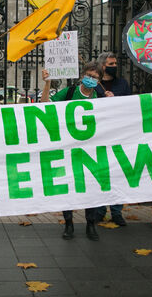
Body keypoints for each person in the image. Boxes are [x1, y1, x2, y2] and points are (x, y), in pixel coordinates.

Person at [41, 61, 104, 241]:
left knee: (91, 188)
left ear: (99, 80)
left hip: (91, 150)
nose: (91, 79)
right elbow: (44, 105)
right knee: (68, 186)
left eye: (95, 77)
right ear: (82, 75)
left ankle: (91, 224)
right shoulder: (69, 92)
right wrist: (47, 83)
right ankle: (69, 223)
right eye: (89, 76)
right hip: (68, 149)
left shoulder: (100, 98)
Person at [93, 51, 130, 226]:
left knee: (117, 175)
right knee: (101, 175)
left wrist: (117, 101)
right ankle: (99, 211)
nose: (114, 66)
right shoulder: (94, 85)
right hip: (98, 138)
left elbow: (131, 107)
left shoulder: (122, 84)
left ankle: (116, 212)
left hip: (118, 136)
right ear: (102, 66)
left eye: (115, 63)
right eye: (111, 64)